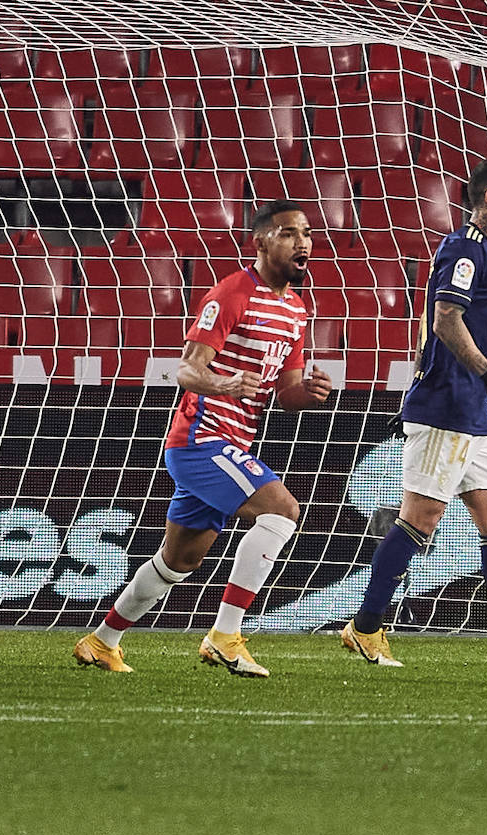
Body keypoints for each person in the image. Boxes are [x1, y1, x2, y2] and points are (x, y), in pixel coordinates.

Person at [338, 156, 487, 668]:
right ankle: (364, 627)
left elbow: (443, 322)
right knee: (420, 521)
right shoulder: (466, 250)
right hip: (447, 407)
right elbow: (446, 318)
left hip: (470, 411)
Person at [74, 200, 333, 676]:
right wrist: (223, 384)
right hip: (201, 439)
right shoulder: (232, 293)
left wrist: (309, 393)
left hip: (235, 444)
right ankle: (225, 635)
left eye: (307, 234)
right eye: (290, 234)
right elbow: (187, 369)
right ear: (261, 241)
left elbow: (286, 394)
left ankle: (103, 641)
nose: (303, 243)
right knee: (282, 510)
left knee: (179, 561)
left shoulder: (296, 310)